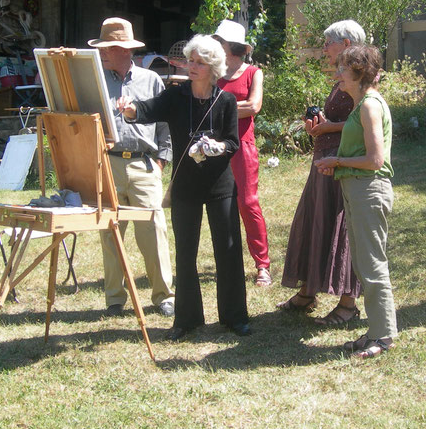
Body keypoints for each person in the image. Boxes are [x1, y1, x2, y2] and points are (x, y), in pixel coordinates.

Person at [118, 34, 250, 340]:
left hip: (220, 186)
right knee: (185, 253)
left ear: (213, 67)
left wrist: (217, 146)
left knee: (228, 251)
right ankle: (187, 320)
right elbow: (146, 109)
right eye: (190, 60)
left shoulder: (226, 101)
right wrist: (129, 109)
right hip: (185, 187)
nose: (192, 66)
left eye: (199, 62)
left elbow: (233, 142)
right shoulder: (176, 95)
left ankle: (235, 317)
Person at [278, 19, 365, 324]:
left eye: (329, 42)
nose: (325, 48)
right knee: (314, 221)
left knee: (342, 229)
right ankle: (307, 291)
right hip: (324, 160)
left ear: (346, 43)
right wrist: (319, 125)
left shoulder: (365, 77)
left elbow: (366, 121)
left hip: (343, 163)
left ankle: (347, 304)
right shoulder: (340, 76)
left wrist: (330, 126)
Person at [88, 17, 175, 318]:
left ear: (123, 49)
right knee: (110, 232)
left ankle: (163, 295)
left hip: (144, 164)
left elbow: (165, 124)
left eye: (107, 48)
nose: (102, 53)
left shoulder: (150, 80)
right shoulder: (95, 79)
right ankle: (115, 299)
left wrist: (162, 160)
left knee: (153, 229)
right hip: (108, 163)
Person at [314, 45, 396, 359]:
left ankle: (384, 336)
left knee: (373, 265)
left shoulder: (369, 106)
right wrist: (339, 163)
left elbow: (376, 159)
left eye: (342, 69)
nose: (337, 75)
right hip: (358, 188)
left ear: (359, 72)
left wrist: (338, 162)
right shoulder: (363, 103)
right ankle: (376, 330)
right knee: (364, 263)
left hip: (368, 189)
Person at [212, 19, 272, 287]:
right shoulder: (213, 72)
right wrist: (237, 106)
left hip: (243, 146)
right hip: (214, 148)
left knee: (248, 203)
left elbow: (254, 106)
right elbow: (243, 106)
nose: (215, 45)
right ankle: (228, 261)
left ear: (230, 46)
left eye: (219, 41)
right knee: (219, 205)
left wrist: (218, 108)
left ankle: (262, 265)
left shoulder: (253, 72)